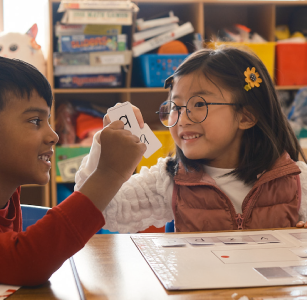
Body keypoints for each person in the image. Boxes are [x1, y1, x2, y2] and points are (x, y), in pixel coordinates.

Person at [0, 54, 146, 286]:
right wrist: (109, 174)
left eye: (49, 121)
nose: (54, 136)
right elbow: (22, 263)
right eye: (35, 121)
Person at [75, 46, 307, 233]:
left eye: (199, 104)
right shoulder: (170, 180)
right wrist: (103, 149)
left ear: (246, 116)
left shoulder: (295, 180)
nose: (182, 118)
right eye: (174, 106)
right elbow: (106, 214)